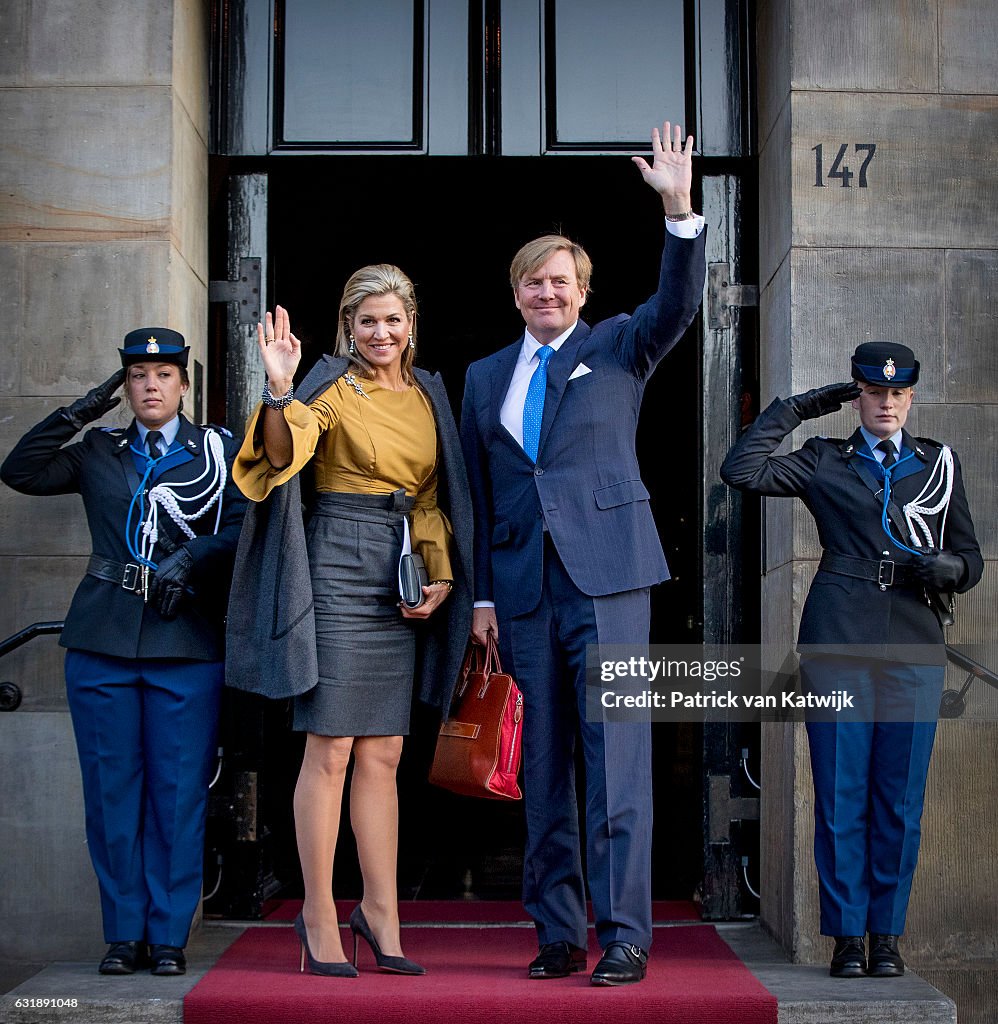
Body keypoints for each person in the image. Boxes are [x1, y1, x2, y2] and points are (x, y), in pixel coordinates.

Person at [459, 121, 707, 986]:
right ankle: (558, 933)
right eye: (534, 281)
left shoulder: (619, 346)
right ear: (516, 292)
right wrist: (483, 598)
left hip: (608, 583)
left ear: (583, 290)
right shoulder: (485, 376)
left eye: (560, 280)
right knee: (546, 766)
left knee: (618, 761)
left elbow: (678, 305)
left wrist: (678, 212)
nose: (546, 292)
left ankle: (627, 933)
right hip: (524, 594)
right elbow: (481, 497)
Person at [228, 266, 472, 977]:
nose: (381, 333)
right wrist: (279, 389)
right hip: (335, 562)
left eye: (392, 320)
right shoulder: (331, 385)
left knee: (386, 752)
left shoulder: (430, 392)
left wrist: (442, 573)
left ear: (411, 324)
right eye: (367, 321)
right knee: (330, 748)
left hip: (397, 567)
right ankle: (317, 913)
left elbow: (429, 498)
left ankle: (381, 910)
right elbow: (282, 453)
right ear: (348, 325)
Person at [720, 342, 982, 978]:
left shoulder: (937, 463)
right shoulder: (824, 460)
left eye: (897, 393)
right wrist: (802, 407)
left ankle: (886, 936)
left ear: (911, 396)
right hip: (838, 638)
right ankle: (847, 939)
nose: (886, 402)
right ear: (857, 395)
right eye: (873, 392)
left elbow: (969, 557)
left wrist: (953, 568)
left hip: (914, 644)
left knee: (899, 799)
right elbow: (742, 469)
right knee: (840, 796)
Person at [0, 329, 247, 976]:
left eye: (164, 374)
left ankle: (168, 937)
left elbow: (249, 522)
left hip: (185, 638)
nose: (150, 386)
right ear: (125, 387)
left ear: (184, 384)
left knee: (176, 792)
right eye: (137, 376)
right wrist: (81, 409)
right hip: (103, 640)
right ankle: (124, 935)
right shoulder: (97, 451)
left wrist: (194, 555)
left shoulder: (215, 450)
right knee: (113, 794)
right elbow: (19, 470)